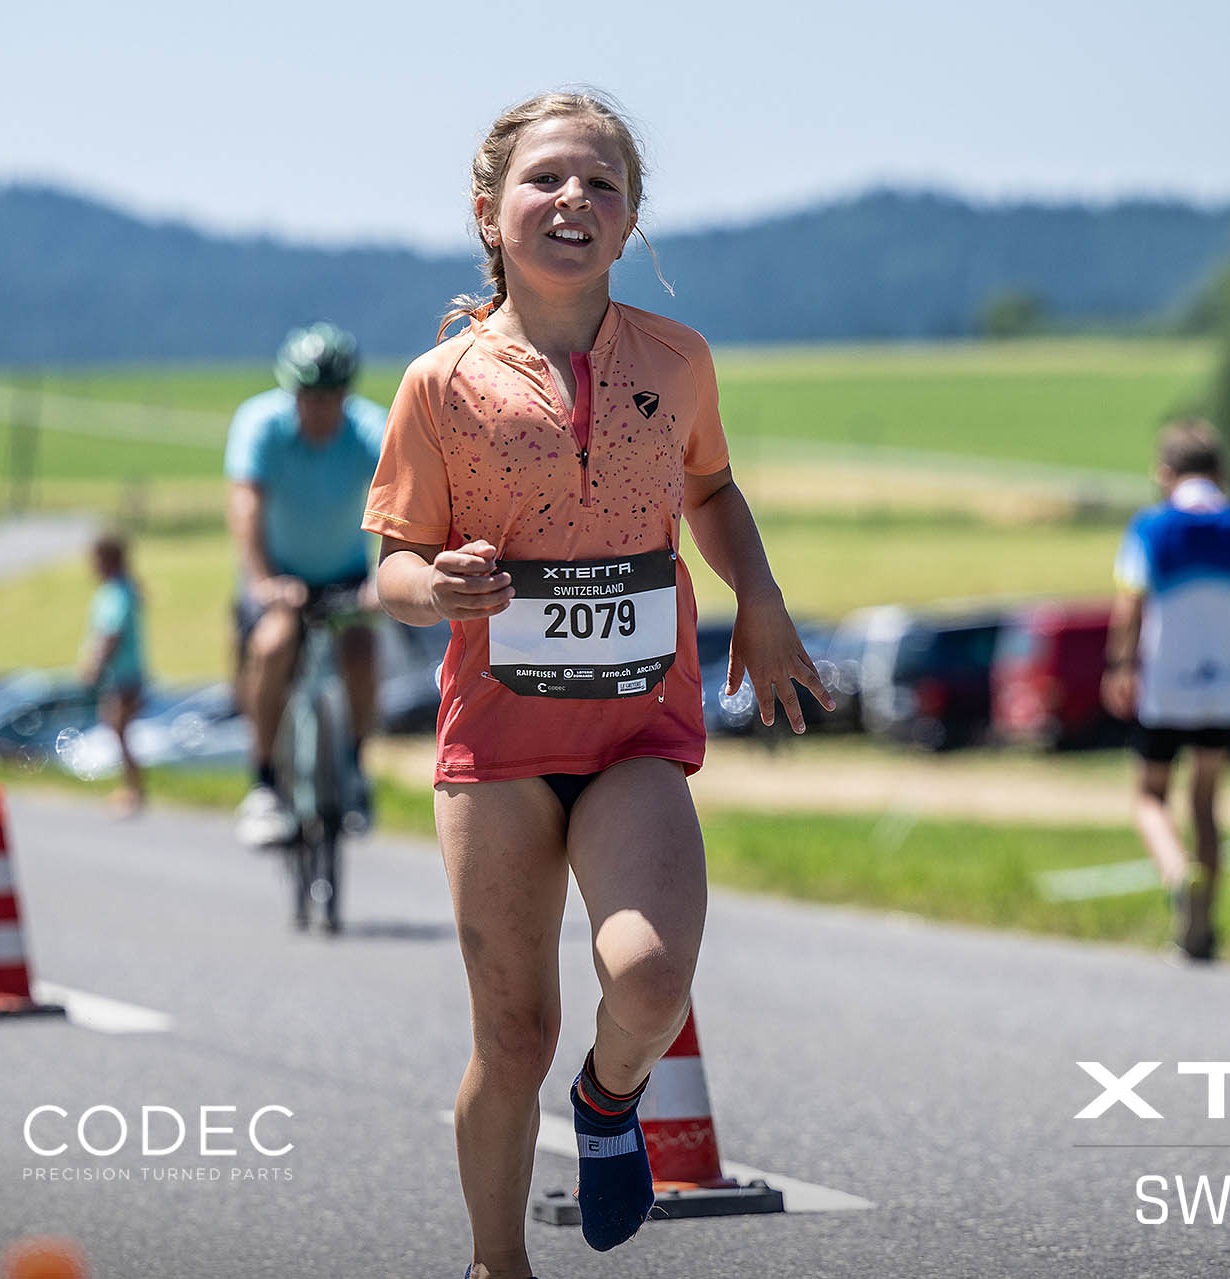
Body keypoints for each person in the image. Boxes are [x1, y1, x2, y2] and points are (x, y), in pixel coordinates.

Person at [364, 91, 828, 1278]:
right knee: (513, 1036)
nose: (574, 199)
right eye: (546, 179)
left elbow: (709, 491)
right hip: (497, 752)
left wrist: (760, 600)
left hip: (636, 734)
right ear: (489, 212)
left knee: (652, 978)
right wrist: (437, 586)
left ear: (629, 222)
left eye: (602, 184)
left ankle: (611, 1101)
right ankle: (497, 1262)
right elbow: (392, 569)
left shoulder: (677, 360)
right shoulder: (439, 385)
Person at [1101, 420, 1230, 961]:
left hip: (1166, 684)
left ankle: (1177, 872)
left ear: (1164, 473)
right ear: (1221, 472)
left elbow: (1130, 605)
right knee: (1205, 802)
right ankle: (1203, 929)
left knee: (1150, 795)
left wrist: (1120, 665)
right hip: (1226, 685)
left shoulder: (1152, 527)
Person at [225, 321, 387, 845]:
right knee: (273, 647)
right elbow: (246, 505)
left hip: (345, 574)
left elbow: (402, 496)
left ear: (347, 393)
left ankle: (355, 767)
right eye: (308, 396)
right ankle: (264, 784)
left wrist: (387, 574)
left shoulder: (369, 427)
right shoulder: (260, 423)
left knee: (362, 649)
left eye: (331, 397)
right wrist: (262, 579)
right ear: (290, 390)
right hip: (279, 575)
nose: (319, 408)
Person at [78, 531, 147, 818]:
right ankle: (130, 786)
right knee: (117, 728)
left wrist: (95, 665)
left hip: (123, 674)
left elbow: (111, 633)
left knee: (120, 729)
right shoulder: (120, 589)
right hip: (123, 674)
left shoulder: (116, 592)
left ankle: (133, 788)